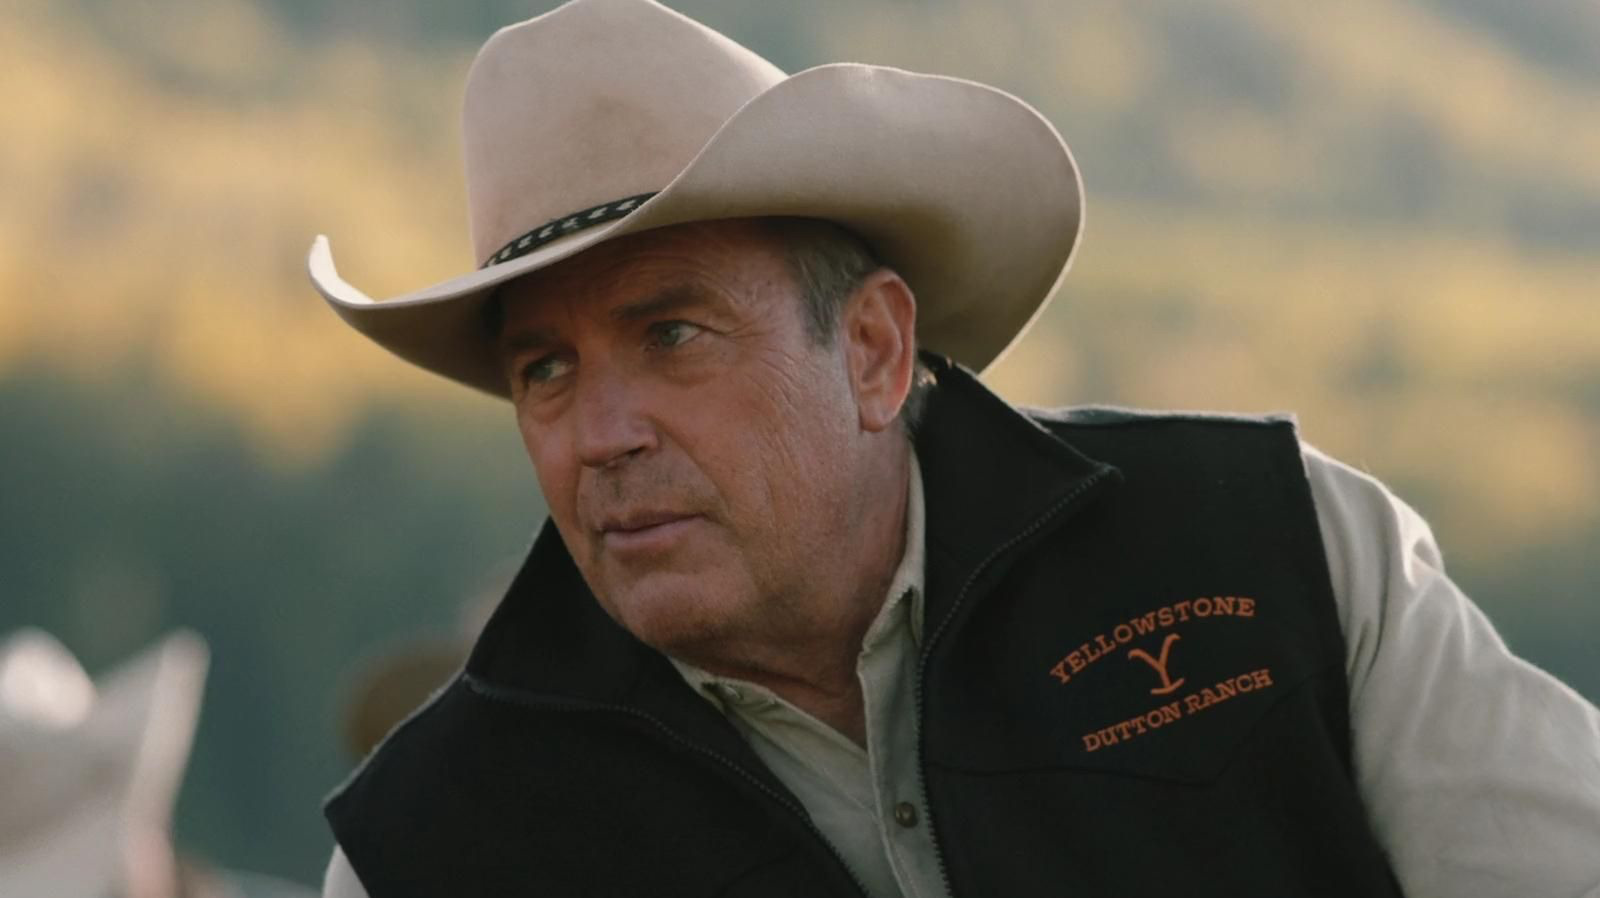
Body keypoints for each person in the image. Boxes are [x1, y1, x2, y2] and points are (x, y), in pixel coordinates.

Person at [307, 1, 1600, 895]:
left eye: (674, 334)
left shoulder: (1286, 551)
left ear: (874, 349)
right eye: (544, 370)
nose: (602, 434)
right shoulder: (426, 849)